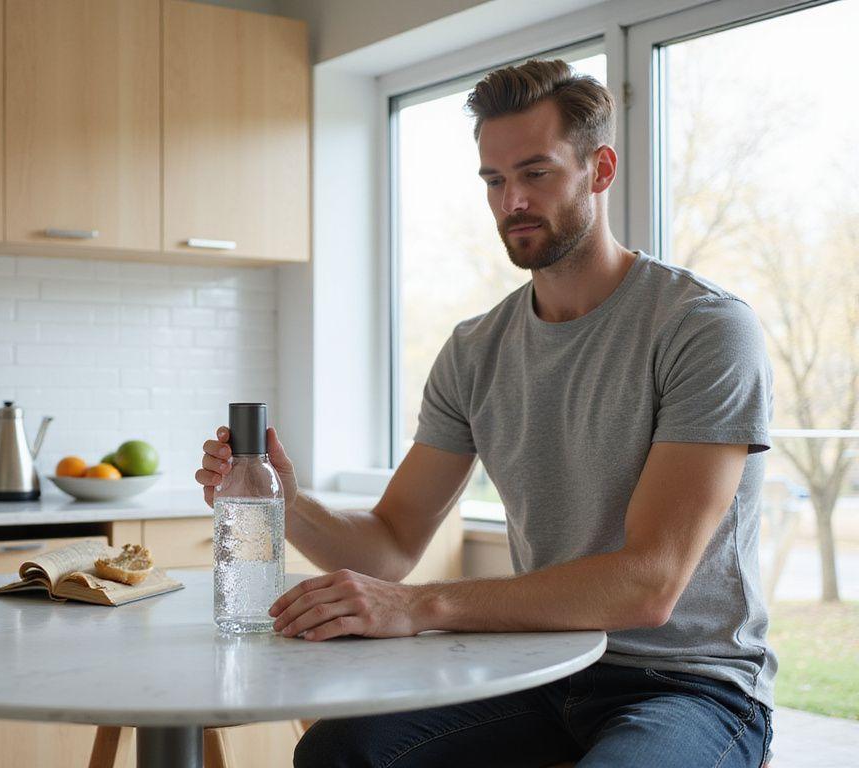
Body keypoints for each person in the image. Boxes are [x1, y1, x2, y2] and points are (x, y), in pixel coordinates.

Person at [196, 59, 774, 767]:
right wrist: (285, 502)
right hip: (538, 668)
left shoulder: (704, 328)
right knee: (339, 752)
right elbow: (390, 540)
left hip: (687, 684)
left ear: (600, 168)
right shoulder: (476, 349)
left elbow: (649, 583)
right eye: (494, 181)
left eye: (536, 173)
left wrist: (421, 608)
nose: (513, 202)